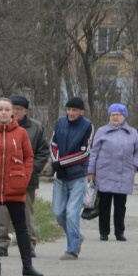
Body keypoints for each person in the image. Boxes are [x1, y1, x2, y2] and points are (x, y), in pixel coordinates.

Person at [0, 98, 43, 276]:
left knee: (21, 227)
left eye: (7, 109)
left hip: (15, 187)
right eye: (0, 109)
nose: (3, 112)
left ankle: (27, 266)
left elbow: (29, 157)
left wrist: (24, 177)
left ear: (12, 113)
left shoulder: (21, 133)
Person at [0, 95, 48, 257]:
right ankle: (1, 244)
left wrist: (31, 169)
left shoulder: (36, 128)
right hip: (4, 179)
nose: (15, 112)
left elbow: (43, 152)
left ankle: (28, 245)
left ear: (26, 111)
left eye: (19, 109)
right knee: (3, 213)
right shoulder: (0, 126)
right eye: (12, 109)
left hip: (26, 179)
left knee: (26, 214)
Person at [50, 96, 94, 260]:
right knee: (58, 212)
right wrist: (56, 162)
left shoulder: (88, 126)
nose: (71, 113)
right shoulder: (60, 122)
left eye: (74, 110)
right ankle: (78, 236)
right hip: (60, 177)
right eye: (68, 109)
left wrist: (62, 163)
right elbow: (53, 144)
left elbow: (84, 153)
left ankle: (72, 250)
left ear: (81, 111)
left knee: (71, 213)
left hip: (77, 176)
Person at [88, 103, 138, 242]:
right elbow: (94, 152)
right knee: (104, 204)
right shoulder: (102, 131)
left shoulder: (133, 133)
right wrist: (91, 171)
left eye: (118, 114)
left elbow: (137, 152)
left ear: (124, 116)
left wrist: (134, 165)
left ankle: (119, 232)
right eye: (112, 115)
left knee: (120, 205)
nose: (115, 117)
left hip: (124, 173)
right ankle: (104, 232)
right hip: (105, 172)